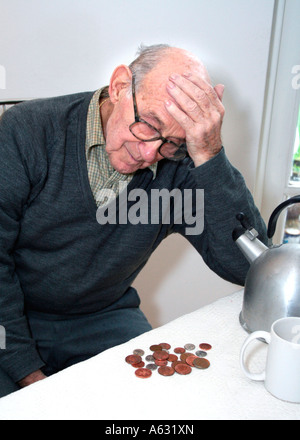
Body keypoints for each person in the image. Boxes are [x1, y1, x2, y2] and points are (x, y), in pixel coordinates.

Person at [0, 44, 267, 397]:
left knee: (153, 403)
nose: (148, 154)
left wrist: (208, 153)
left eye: (171, 142)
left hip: (103, 315)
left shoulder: (182, 164)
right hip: (13, 316)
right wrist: (27, 373)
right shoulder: (27, 130)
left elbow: (251, 268)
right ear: (119, 86)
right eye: (147, 125)